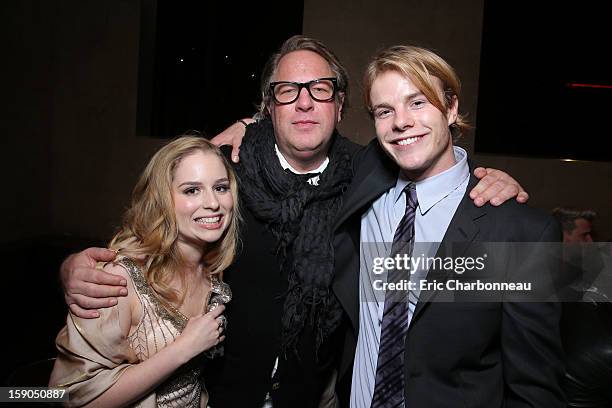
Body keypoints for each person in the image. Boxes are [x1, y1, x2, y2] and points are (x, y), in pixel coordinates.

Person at [59, 36, 529, 407]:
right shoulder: (227, 170)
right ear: (269, 106)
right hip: (222, 395)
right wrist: (76, 267)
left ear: (339, 105)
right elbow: (156, 230)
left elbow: (431, 161)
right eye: (288, 92)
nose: (304, 103)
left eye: (320, 90)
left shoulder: (371, 173)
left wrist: (486, 183)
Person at [332, 45, 565, 407]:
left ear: (452, 107)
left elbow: (535, 391)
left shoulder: (518, 232)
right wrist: (247, 128)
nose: (401, 122)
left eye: (418, 102)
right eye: (384, 111)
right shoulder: (364, 181)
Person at [49, 136, 239, 407]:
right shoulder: (118, 280)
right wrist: (182, 350)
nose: (213, 203)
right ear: (162, 198)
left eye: (220, 188)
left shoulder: (214, 272)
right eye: (191, 190)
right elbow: (68, 398)